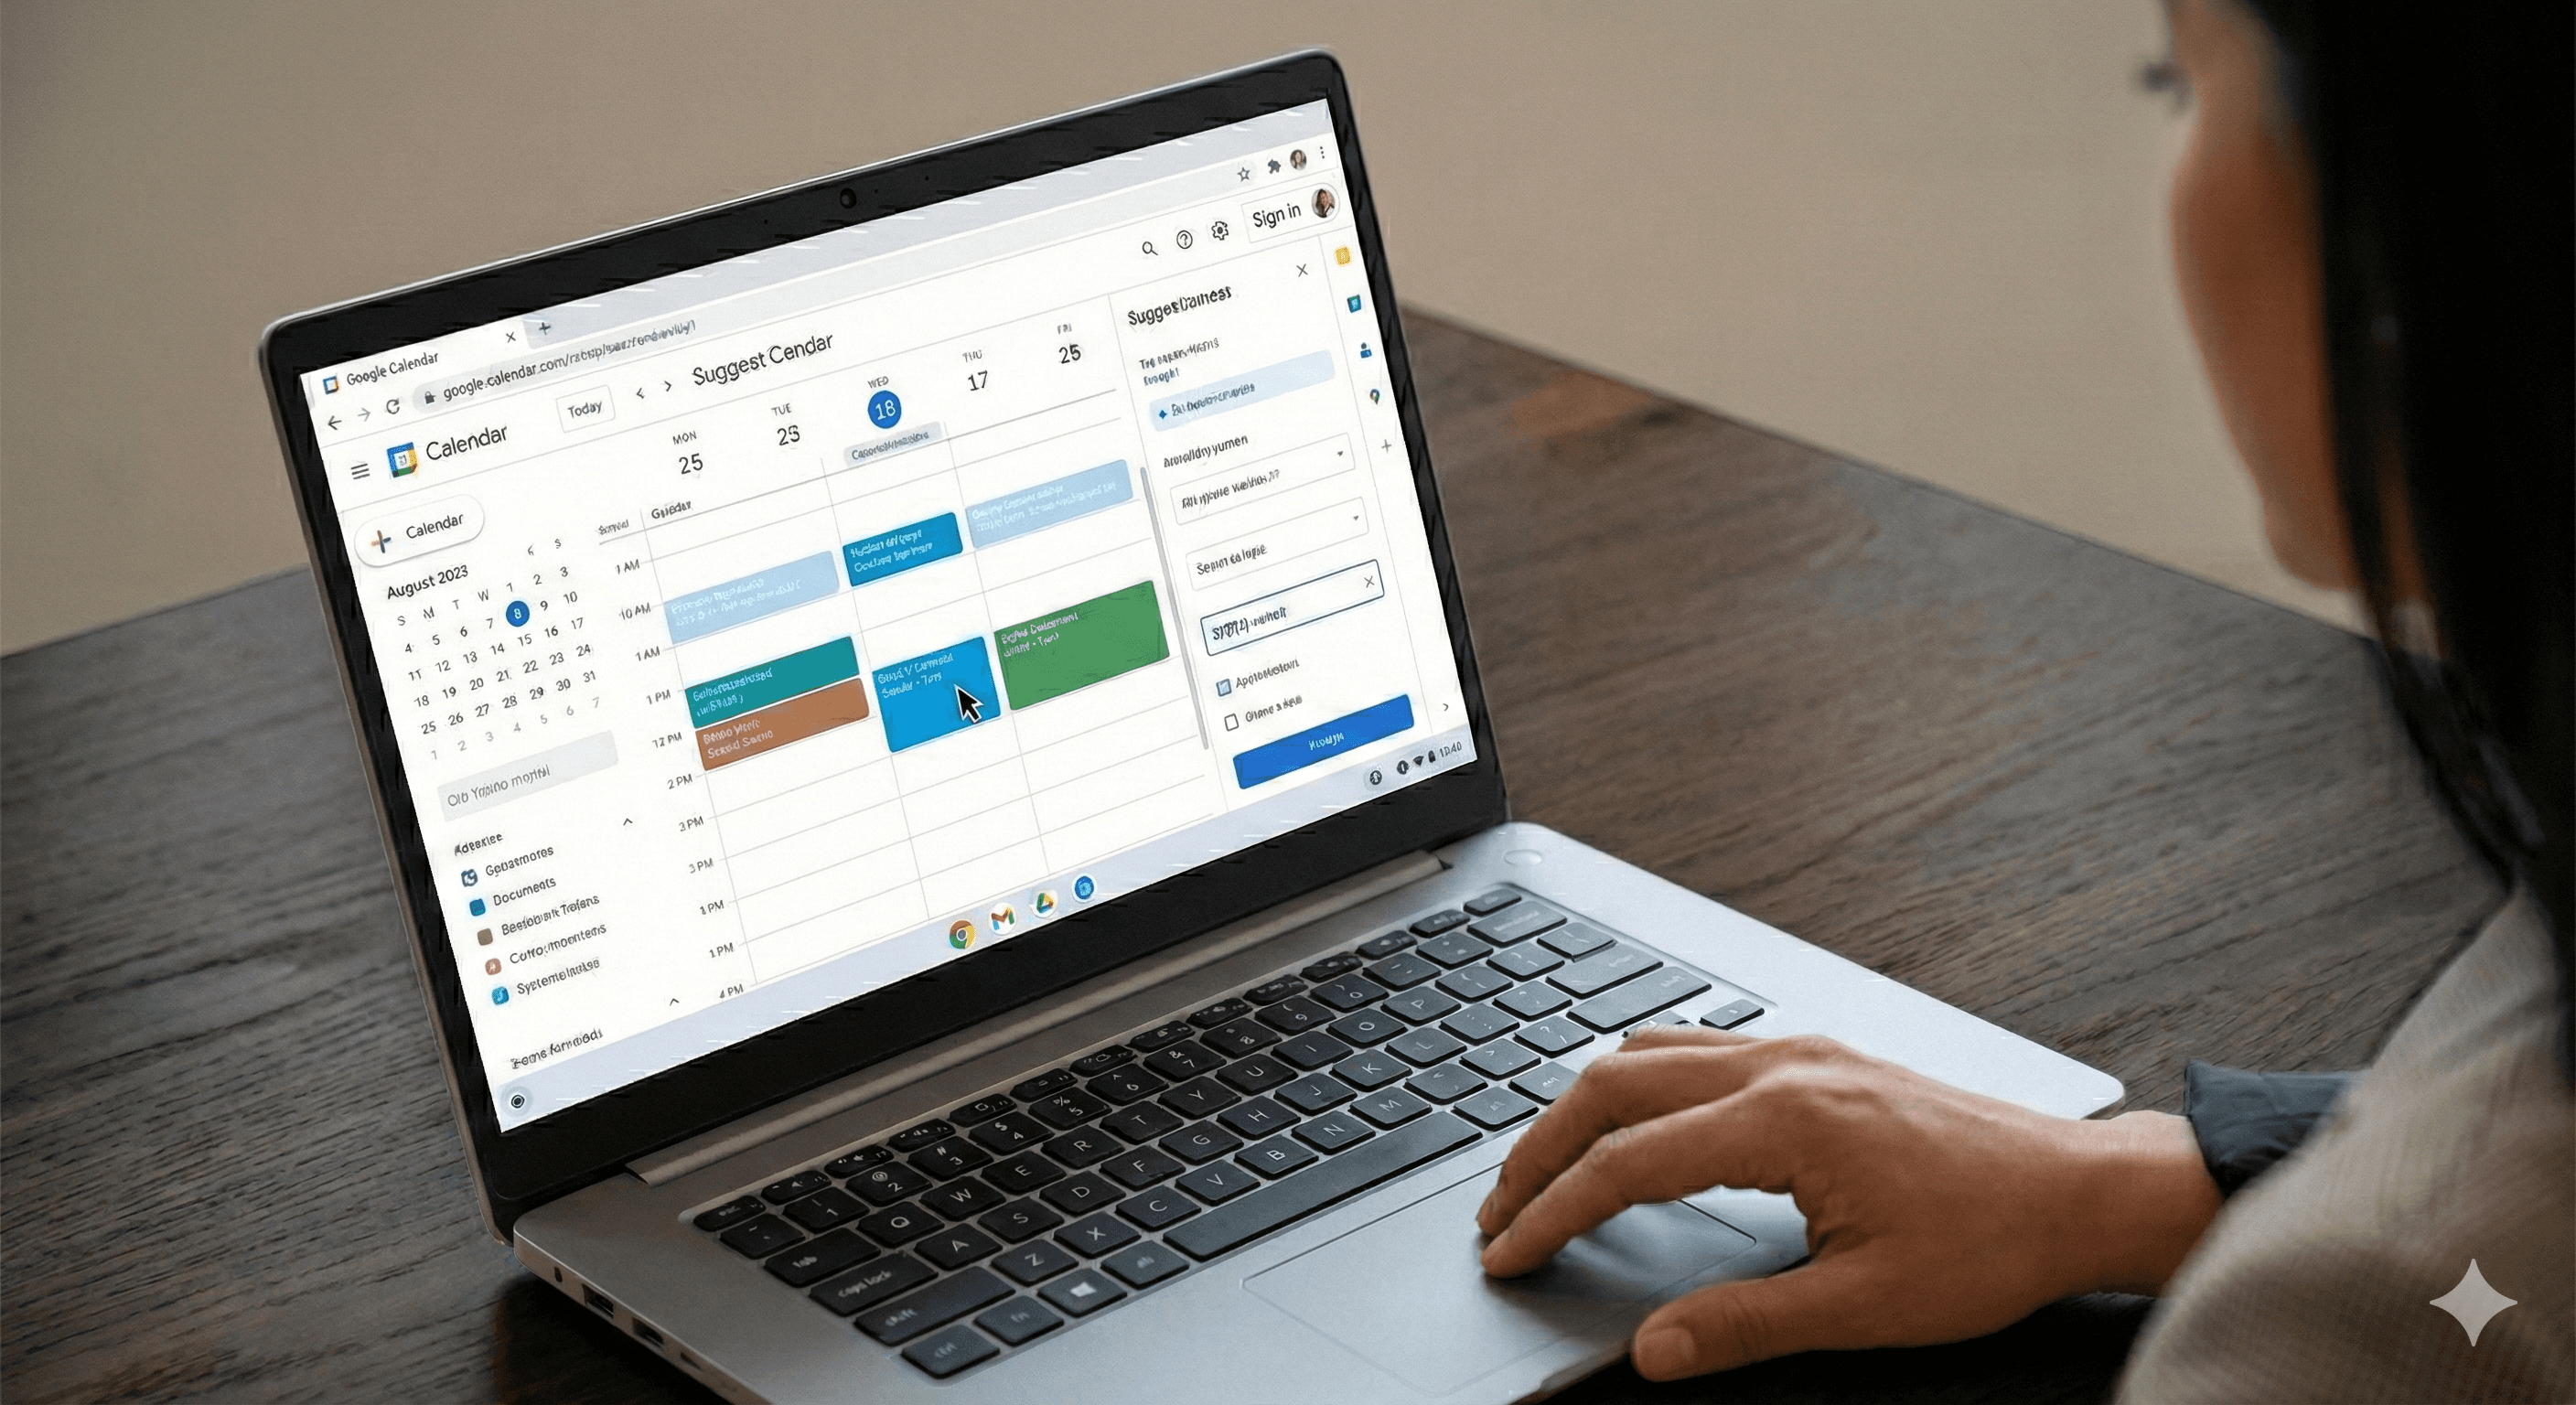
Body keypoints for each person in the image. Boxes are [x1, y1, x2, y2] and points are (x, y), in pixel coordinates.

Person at [1474, 1, 2572, 1398]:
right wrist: (2122, 1184)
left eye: (2186, 83)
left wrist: (2367, 1228)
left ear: (2415, 213)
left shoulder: (2356, 1326)